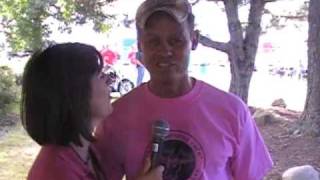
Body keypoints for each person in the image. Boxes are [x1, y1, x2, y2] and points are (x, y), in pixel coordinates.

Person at [95, 0, 273, 179]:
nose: (165, 50)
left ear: (193, 40)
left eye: (176, 40)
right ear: (140, 45)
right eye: (153, 41)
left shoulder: (232, 111)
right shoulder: (115, 117)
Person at [21, 42, 164, 180]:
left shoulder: (86, 153)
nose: (109, 81)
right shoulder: (54, 171)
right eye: (100, 75)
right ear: (76, 92)